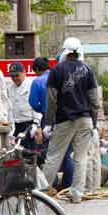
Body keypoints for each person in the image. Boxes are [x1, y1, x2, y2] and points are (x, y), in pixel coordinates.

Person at [42, 37, 99, 203]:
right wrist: (94, 124)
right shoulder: (88, 70)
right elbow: (95, 100)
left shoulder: (56, 70)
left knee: (54, 156)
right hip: (85, 119)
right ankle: (77, 194)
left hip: (64, 119)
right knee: (81, 158)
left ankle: (41, 192)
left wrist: (49, 122)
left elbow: (51, 99)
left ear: (64, 52)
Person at [29, 57, 74, 193]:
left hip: (48, 119)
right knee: (66, 153)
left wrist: (41, 108)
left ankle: (51, 184)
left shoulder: (37, 81)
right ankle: (67, 185)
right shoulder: (61, 78)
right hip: (66, 118)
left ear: (36, 69)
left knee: (50, 153)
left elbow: (32, 102)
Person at [6, 62, 39, 142]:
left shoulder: (32, 85)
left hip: (29, 124)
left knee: (29, 152)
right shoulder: (9, 88)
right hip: (14, 125)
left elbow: (37, 105)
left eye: (17, 75)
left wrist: (36, 123)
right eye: (12, 76)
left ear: (24, 72)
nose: (14, 78)